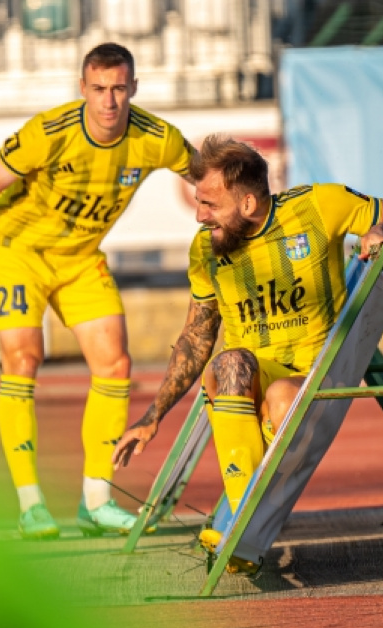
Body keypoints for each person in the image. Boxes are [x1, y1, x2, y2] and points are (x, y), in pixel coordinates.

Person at [0, 43, 194, 540]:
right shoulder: (47, 134)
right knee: (23, 356)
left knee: (115, 365)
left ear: (134, 89)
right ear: (83, 89)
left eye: (119, 88)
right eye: (99, 89)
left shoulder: (158, 138)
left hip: (79, 257)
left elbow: (214, 177)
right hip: (18, 249)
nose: (109, 101)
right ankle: (31, 505)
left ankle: (95, 501)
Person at [112, 134, 383, 570]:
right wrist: (153, 416)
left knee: (278, 400)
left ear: (249, 204)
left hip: (317, 375)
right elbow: (196, 336)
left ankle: (239, 526)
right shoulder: (205, 250)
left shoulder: (319, 206)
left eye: (210, 205)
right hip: (247, 381)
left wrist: (378, 230)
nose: (200, 216)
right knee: (230, 362)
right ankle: (243, 524)